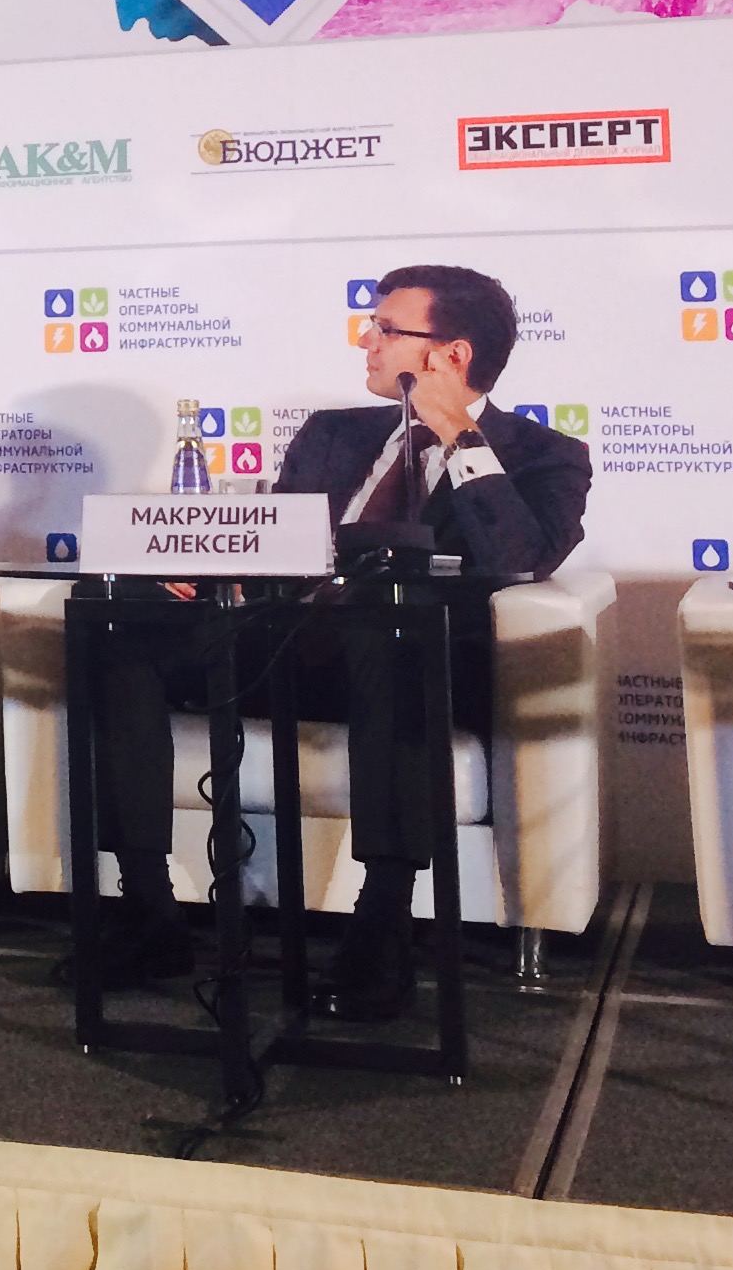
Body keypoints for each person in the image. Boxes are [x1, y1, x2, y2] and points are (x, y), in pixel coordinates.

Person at [88, 264, 591, 1020]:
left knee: (391, 626)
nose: (367, 340)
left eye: (387, 329)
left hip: (413, 663)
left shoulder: (545, 454)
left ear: (451, 355)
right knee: (119, 622)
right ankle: (146, 912)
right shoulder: (334, 433)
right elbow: (277, 546)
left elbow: (519, 557)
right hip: (288, 646)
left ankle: (382, 927)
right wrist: (208, 565)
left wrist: (458, 434)